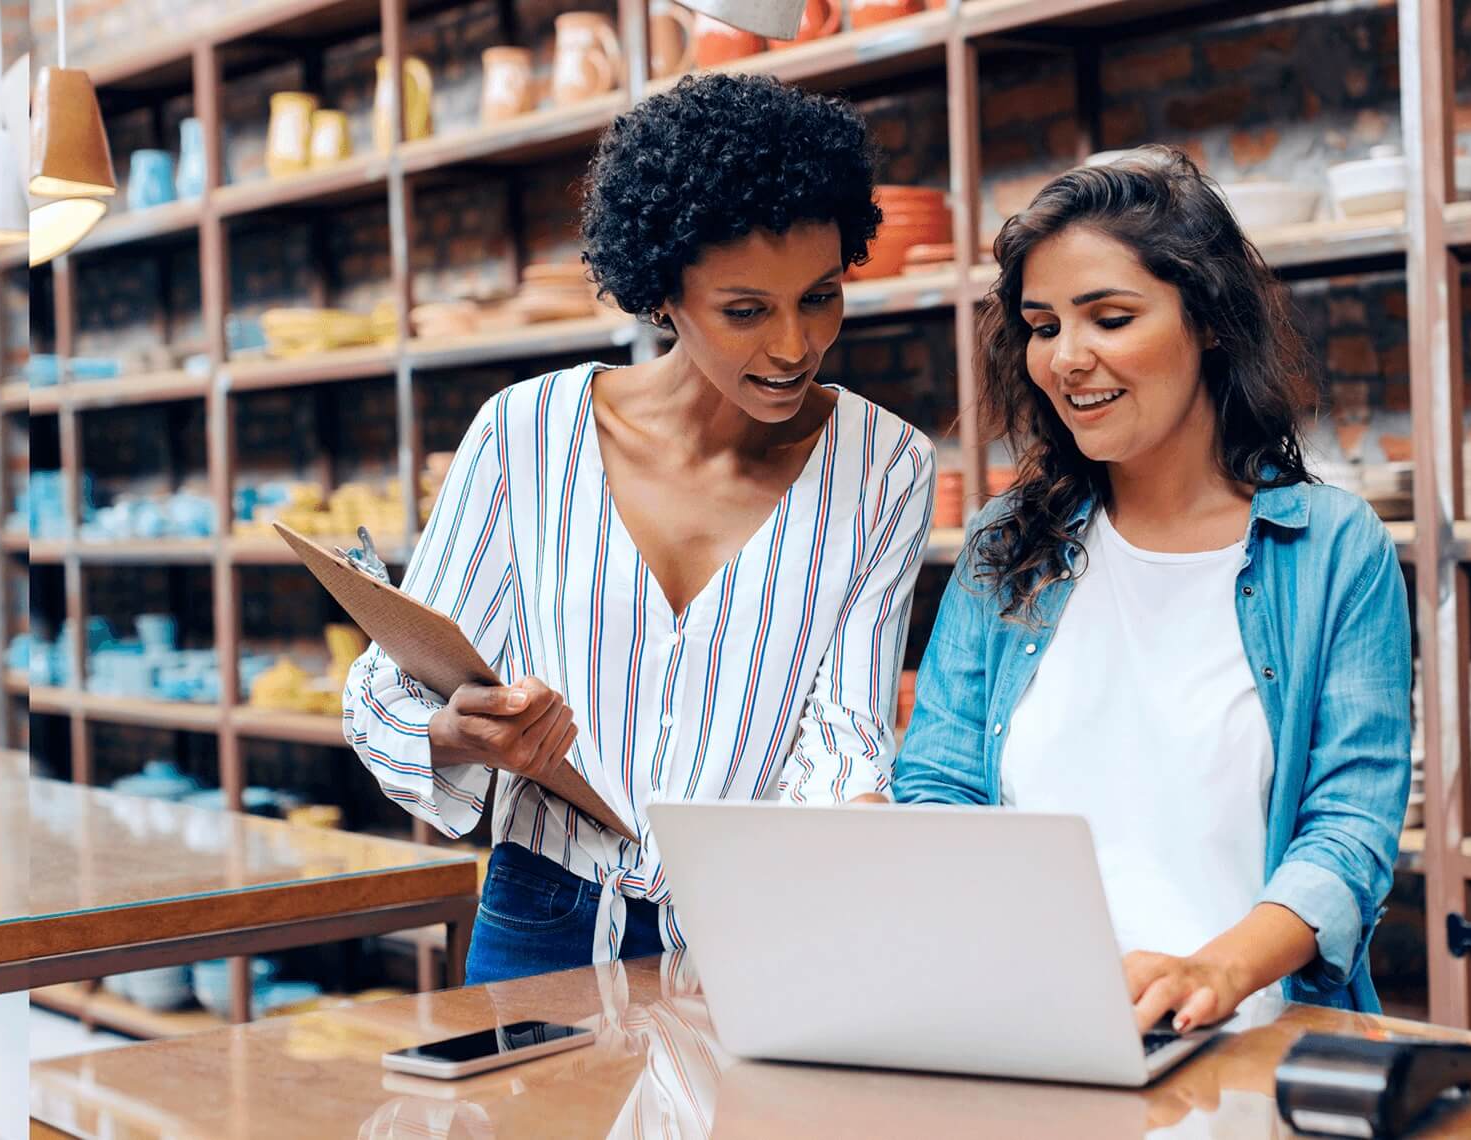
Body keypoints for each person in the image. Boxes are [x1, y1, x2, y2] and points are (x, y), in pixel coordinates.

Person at [344, 73, 936, 984]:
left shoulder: (886, 463)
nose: (792, 346)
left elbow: (845, 728)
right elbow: (393, 689)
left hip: (762, 928)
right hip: (542, 914)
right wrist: (466, 734)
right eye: (746, 310)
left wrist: (868, 839)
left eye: (819, 296)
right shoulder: (525, 433)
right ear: (663, 293)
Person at [891, 147, 1410, 1028]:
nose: (1067, 358)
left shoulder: (1330, 549)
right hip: (1031, 1027)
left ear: (1207, 320)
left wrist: (1213, 973)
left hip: (1242, 1034)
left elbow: (1349, 829)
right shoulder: (1006, 543)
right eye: (1045, 325)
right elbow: (938, 787)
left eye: (1111, 317)